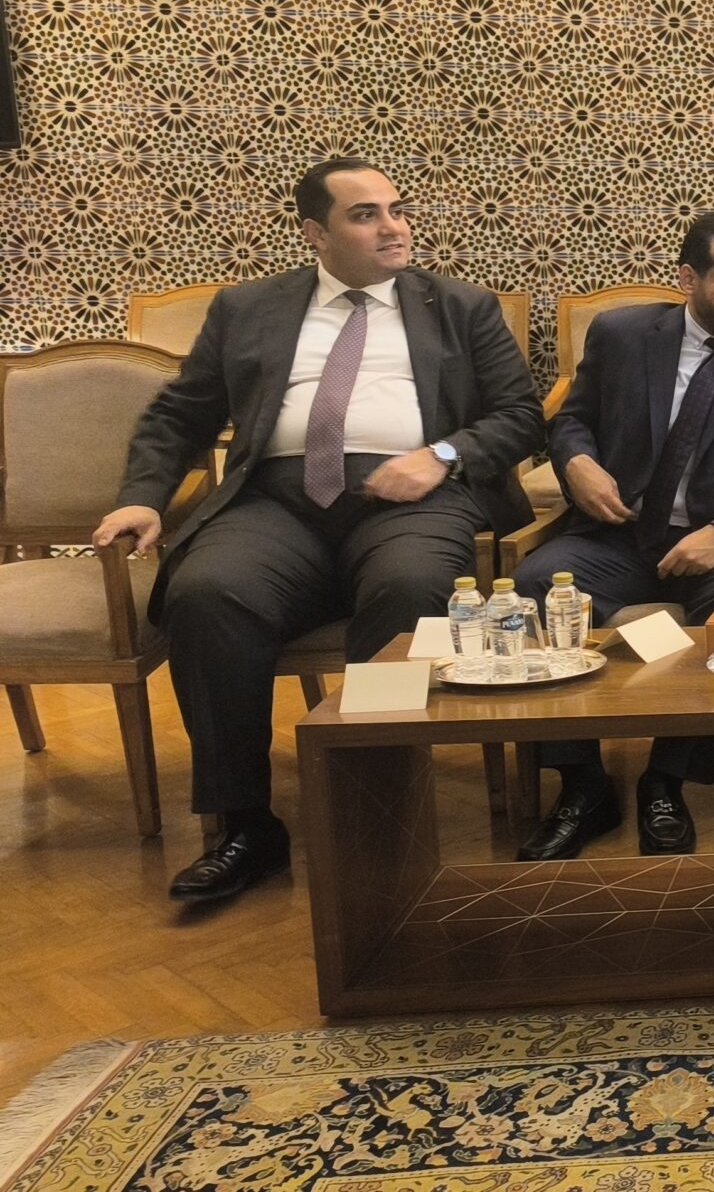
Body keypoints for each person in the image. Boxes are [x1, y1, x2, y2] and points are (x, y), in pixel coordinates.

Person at [95, 158, 543, 903]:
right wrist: (145, 497)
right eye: (366, 214)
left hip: (414, 497)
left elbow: (520, 416)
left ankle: (376, 812)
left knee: (411, 586)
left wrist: (439, 455)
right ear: (316, 233)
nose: (393, 226)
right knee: (208, 592)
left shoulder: (460, 305)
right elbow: (181, 414)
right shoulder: (248, 307)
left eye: (397, 209)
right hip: (276, 502)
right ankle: (245, 827)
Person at [513, 210, 714, 860]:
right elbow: (571, 421)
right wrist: (578, 462)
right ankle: (582, 784)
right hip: (618, 535)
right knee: (535, 585)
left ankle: (666, 780)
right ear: (687, 278)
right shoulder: (622, 335)